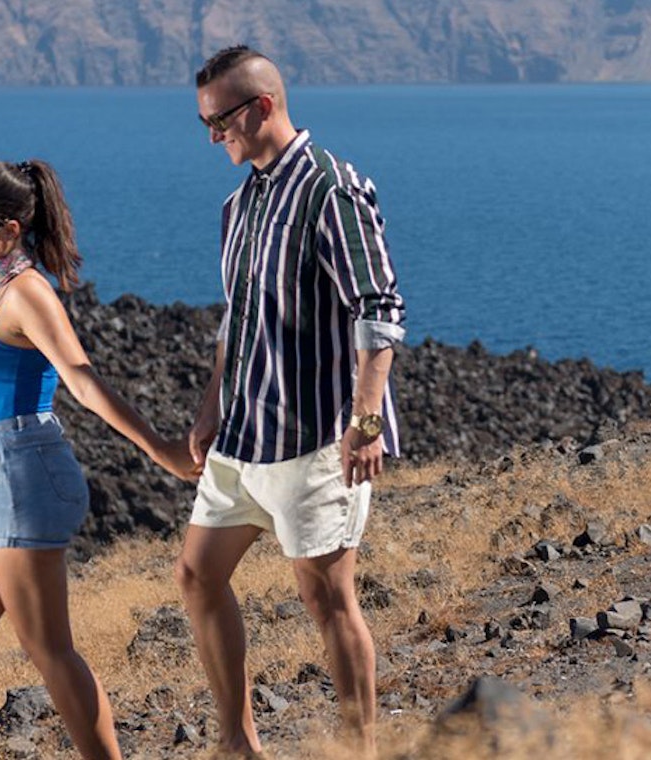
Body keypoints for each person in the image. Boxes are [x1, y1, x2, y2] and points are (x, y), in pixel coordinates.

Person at [0, 159, 195, 760]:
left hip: (22, 475)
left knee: (49, 649)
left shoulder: (27, 292)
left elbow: (84, 382)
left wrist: (163, 451)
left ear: (10, 230)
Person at [176, 46, 406, 757]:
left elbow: (379, 307)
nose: (215, 137)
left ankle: (357, 750)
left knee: (327, 599)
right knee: (196, 575)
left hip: (314, 440)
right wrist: (212, 407)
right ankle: (238, 743)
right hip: (242, 438)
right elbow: (235, 320)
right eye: (207, 126)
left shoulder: (330, 189)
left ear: (262, 107)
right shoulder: (240, 203)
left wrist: (366, 421)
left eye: (220, 122)